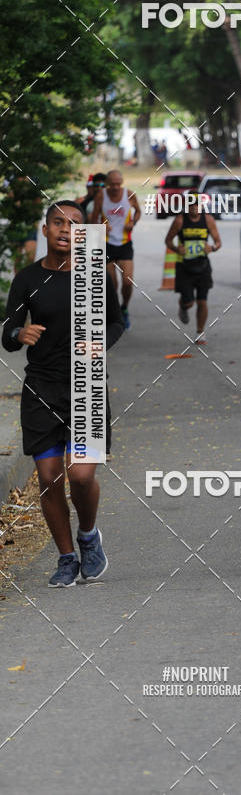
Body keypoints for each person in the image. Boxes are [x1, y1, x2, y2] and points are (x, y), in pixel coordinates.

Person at [2, 201, 124, 587]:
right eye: (58, 222)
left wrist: (101, 343)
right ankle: (66, 557)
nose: (65, 229)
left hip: (86, 383)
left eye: (75, 224)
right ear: (45, 229)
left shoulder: (96, 275)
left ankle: (88, 536)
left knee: (82, 476)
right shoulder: (26, 278)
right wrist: (19, 334)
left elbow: (118, 321)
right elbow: (7, 331)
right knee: (50, 476)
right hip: (41, 386)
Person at [165, 195, 221, 343]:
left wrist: (212, 248)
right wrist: (177, 249)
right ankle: (183, 306)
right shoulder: (180, 220)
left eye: (197, 204)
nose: (194, 207)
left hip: (203, 266)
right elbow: (168, 240)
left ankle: (200, 332)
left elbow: (218, 241)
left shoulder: (208, 220)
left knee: (202, 301)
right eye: (191, 205)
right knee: (189, 302)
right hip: (184, 267)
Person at [90, 169, 141, 330]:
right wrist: (99, 227)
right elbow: (93, 218)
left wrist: (133, 223)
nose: (115, 187)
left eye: (118, 184)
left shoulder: (129, 195)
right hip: (107, 244)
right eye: (112, 184)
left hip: (125, 243)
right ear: (107, 184)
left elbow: (138, 211)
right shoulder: (101, 196)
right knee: (112, 284)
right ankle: (113, 314)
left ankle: (124, 307)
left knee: (127, 281)